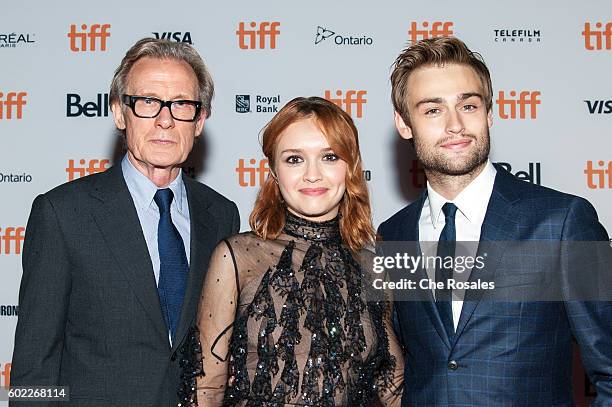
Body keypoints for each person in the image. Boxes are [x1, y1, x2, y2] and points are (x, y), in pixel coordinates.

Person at [377, 36, 612, 406]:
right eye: (433, 110)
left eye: (468, 105)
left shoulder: (561, 222)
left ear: (489, 113)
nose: (455, 124)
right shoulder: (392, 235)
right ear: (404, 123)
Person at [11, 38, 240, 407]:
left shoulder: (221, 214)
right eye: (148, 102)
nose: (165, 119)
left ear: (200, 120)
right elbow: (32, 368)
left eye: (182, 104)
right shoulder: (62, 214)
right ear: (120, 113)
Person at [181, 96, 404, 406]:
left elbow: (392, 386)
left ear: (350, 166)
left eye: (329, 157)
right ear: (274, 171)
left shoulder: (372, 267)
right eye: (294, 159)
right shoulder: (238, 257)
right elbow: (206, 390)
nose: (312, 174)